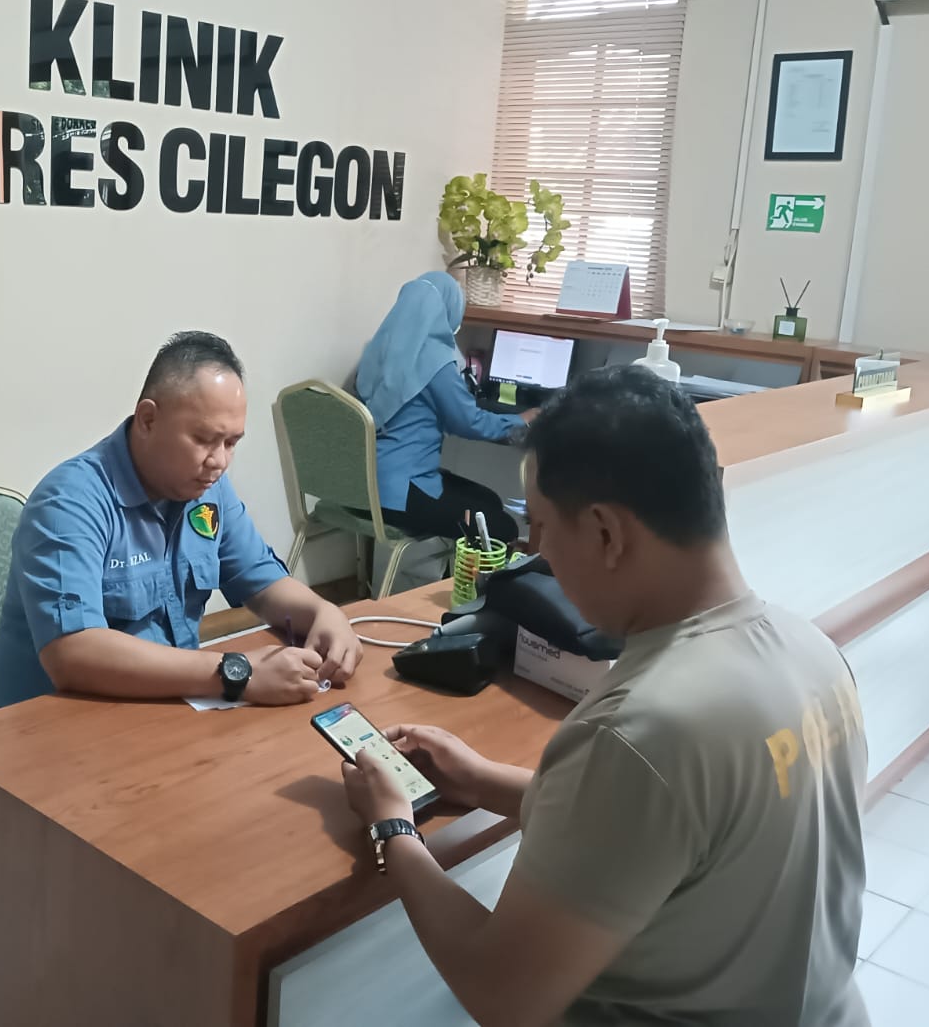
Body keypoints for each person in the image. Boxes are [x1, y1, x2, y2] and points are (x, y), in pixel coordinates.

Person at [337, 366, 869, 1026]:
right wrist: (481, 780)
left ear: (606, 534)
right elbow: (671, 828)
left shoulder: (641, 730)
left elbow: (501, 995)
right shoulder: (813, 652)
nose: (536, 554)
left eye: (539, 528)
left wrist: (392, 828)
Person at [0, 331, 363, 711]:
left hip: (161, 709)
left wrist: (323, 613)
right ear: (148, 419)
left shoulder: (207, 489)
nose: (219, 461)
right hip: (54, 726)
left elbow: (262, 581)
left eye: (231, 443)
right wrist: (237, 673)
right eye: (204, 439)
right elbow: (73, 652)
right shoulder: (69, 502)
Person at [355, 270, 529, 544]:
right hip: (402, 493)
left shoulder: (378, 351)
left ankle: (454, 570)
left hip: (361, 484)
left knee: (488, 500)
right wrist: (522, 419)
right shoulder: (435, 359)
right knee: (501, 527)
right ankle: (465, 573)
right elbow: (469, 422)